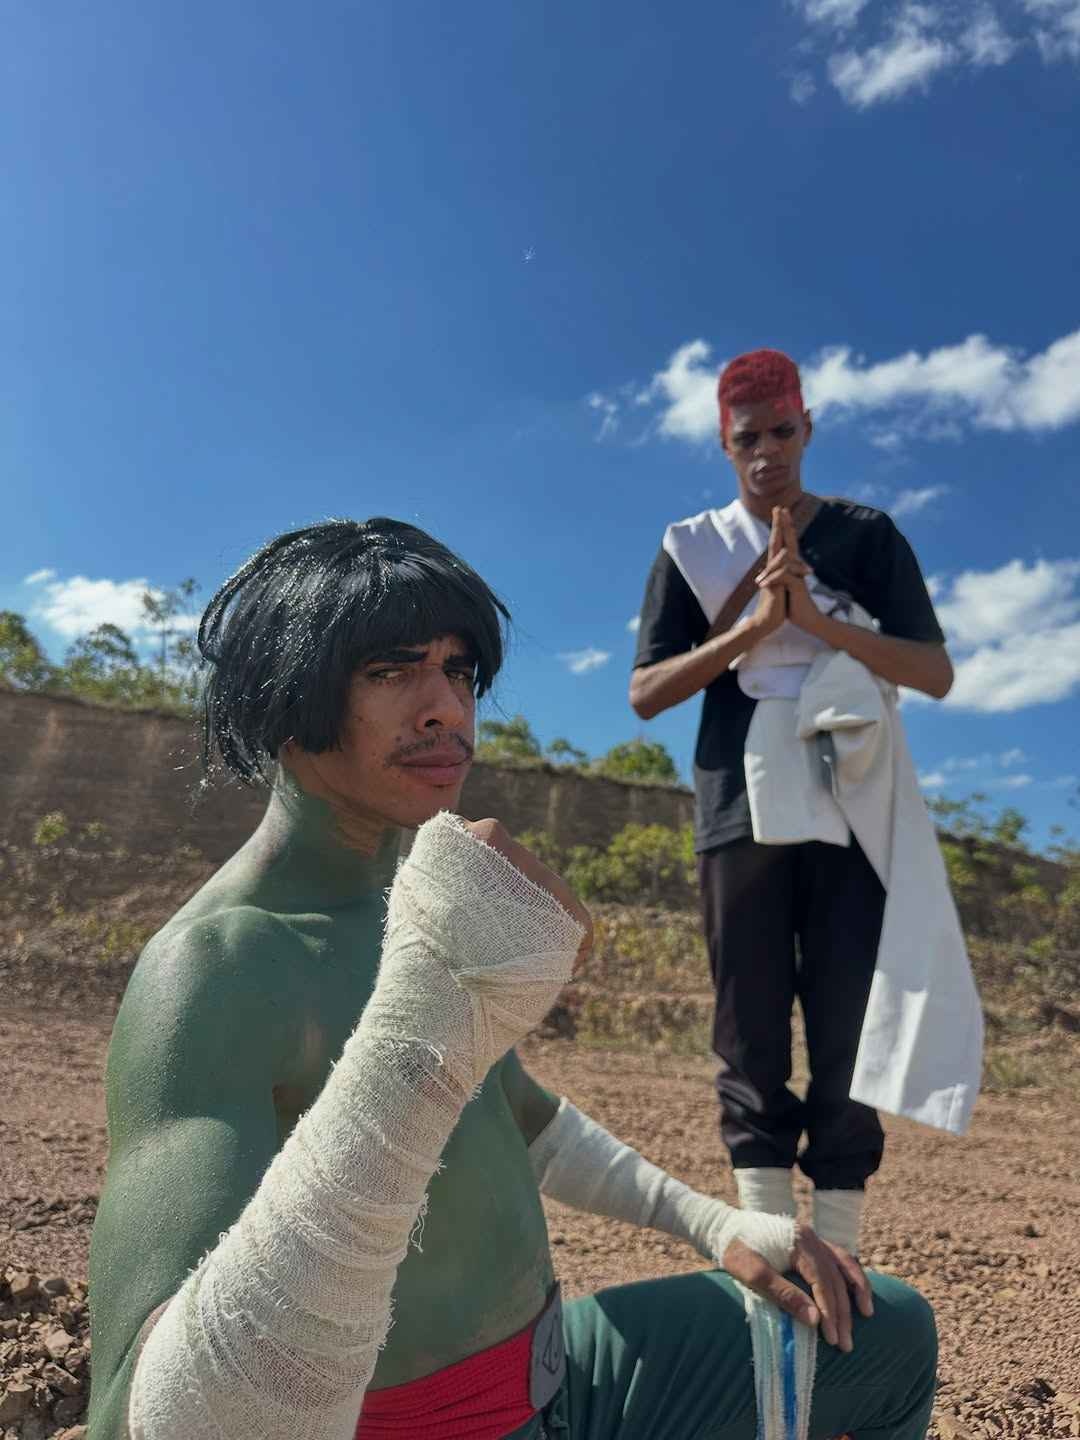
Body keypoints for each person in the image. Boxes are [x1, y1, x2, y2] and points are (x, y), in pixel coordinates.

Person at [88, 516, 936, 1440]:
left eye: (458, 671)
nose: (445, 709)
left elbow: (523, 1116)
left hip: (559, 1380)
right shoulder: (216, 966)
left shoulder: (419, 901)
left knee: (888, 1333)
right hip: (418, 1428)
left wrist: (711, 1222)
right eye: (390, 671)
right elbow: (145, 1415)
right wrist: (429, 1026)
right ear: (281, 693)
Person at [630, 349, 955, 1257]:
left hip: (855, 800)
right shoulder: (692, 546)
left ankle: (840, 1260)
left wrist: (815, 624)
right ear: (723, 444)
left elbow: (933, 670)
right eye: (748, 439)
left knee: (849, 1025)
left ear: (807, 428)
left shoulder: (866, 536)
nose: (767, 452)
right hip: (739, 804)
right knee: (750, 1029)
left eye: (782, 432)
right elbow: (647, 691)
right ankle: (773, 1255)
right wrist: (754, 631)